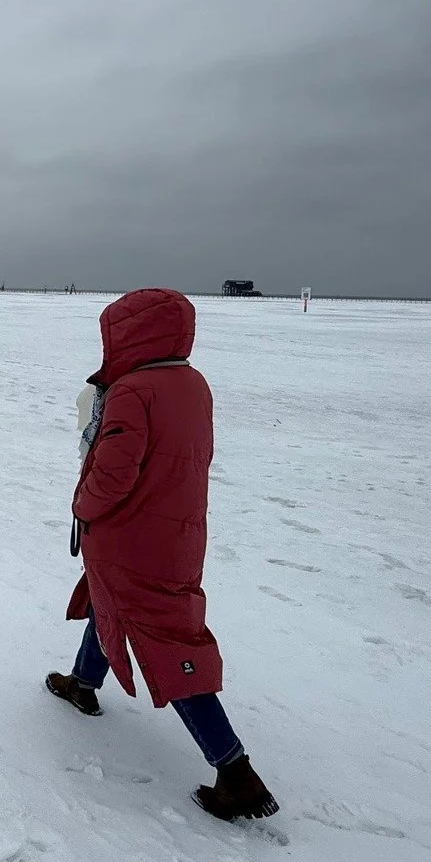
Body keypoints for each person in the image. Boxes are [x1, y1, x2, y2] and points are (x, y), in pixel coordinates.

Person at [46, 288, 278, 821]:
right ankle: (83, 683)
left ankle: (235, 770)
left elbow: (113, 472)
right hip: (175, 533)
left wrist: (82, 504)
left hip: (131, 535)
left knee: (164, 640)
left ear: (129, 334)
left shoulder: (133, 390)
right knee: (114, 606)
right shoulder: (193, 384)